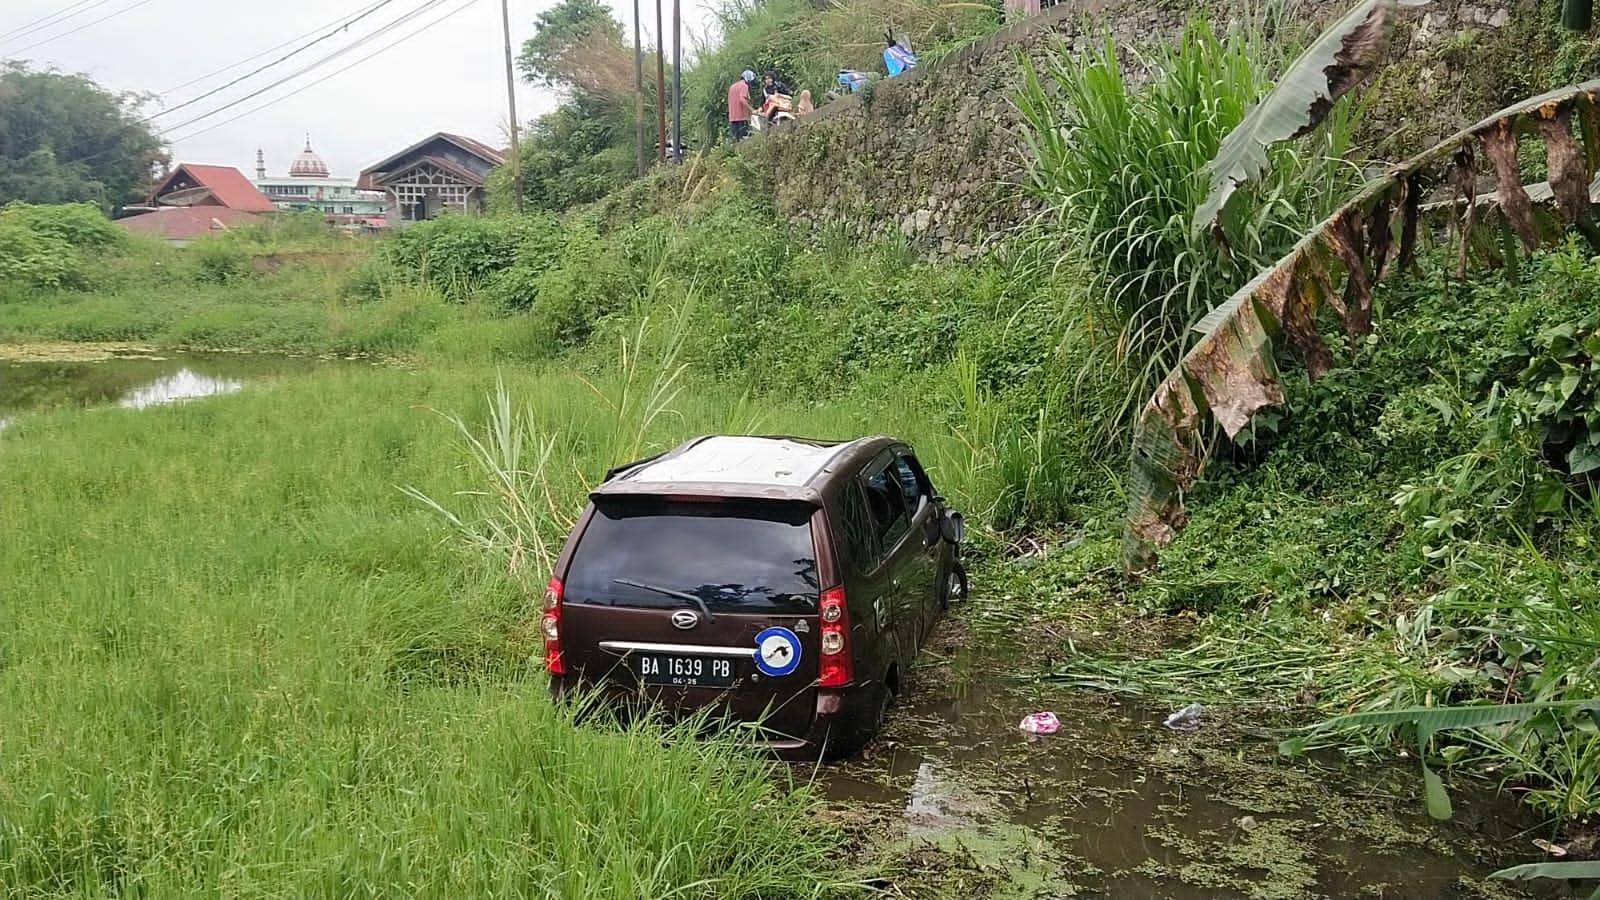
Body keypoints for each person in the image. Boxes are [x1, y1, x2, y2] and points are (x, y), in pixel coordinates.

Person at [728, 70, 756, 142]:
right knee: (744, 141)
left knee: (735, 141)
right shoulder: (744, 86)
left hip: (732, 118)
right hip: (742, 118)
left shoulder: (732, 87)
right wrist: (752, 110)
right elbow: (742, 99)